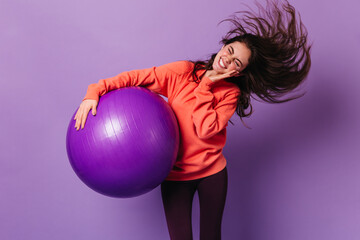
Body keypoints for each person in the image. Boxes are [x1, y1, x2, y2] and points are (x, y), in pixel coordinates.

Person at [73, 0, 311, 239]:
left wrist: (207, 83)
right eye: (229, 51)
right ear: (223, 46)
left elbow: (206, 129)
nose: (227, 60)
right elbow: (136, 77)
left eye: (236, 62)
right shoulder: (183, 72)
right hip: (175, 175)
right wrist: (94, 91)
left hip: (211, 175)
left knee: (211, 236)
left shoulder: (230, 93)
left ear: (238, 72)